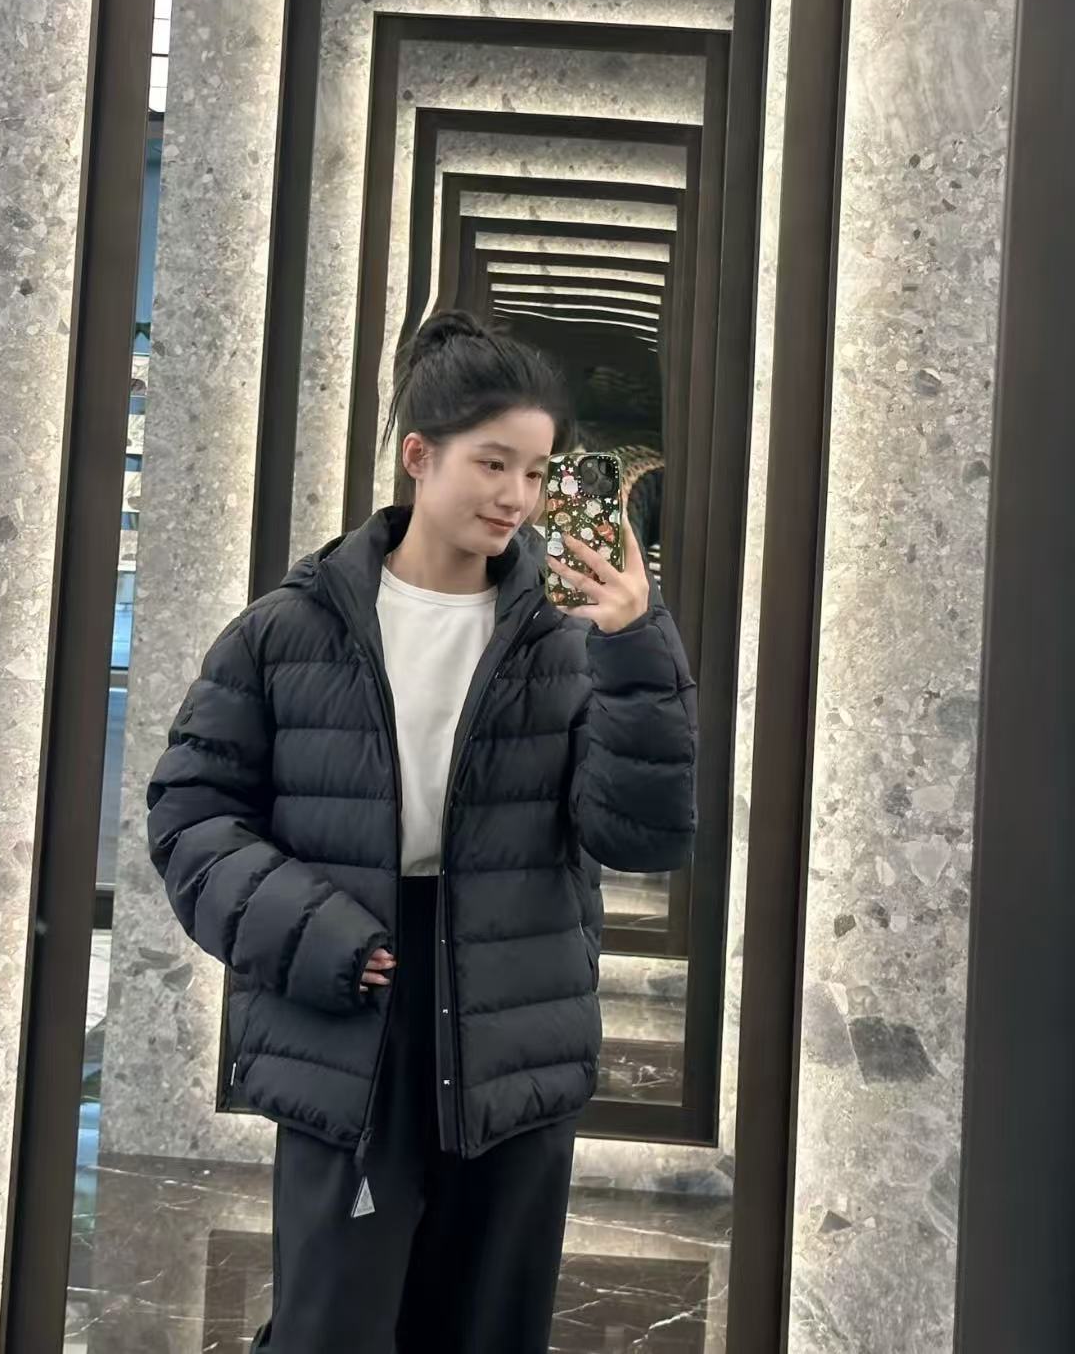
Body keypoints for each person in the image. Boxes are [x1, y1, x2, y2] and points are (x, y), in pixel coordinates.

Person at [146, 310, 698, 1353]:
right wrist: (317, 934)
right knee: (332, 1323)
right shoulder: (286, 629)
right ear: (418, 455)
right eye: (493, 463)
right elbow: (189, 813)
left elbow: (641, 833)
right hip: (352, 1008)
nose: (516, 496)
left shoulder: (570, 640)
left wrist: (636, 645)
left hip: (512, 1018)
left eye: (536, 472)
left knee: (486, 1324)